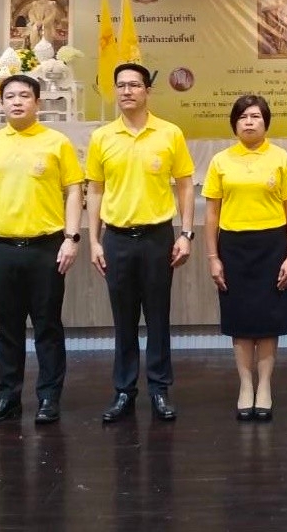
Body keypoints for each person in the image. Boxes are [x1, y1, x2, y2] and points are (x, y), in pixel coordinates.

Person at [0, 74, 84, 425]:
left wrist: (71, 238)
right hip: (1, 248)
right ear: (0, 102)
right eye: (10, 96)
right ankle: (7, 397)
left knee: (48, 326)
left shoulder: (56, 142)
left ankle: (49, 397)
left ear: (38, 102)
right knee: (7, 328)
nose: (17, 101)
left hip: (46, 248)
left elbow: (74, 190)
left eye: (24, 96)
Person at [86, 63, 196, 423]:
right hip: (117, 239)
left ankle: (160, 389)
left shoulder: (169, 133)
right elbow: (95, 189)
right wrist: (94, 240)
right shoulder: (102, 137)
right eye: (121, 85)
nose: (127, 91)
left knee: (158, 317)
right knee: (123, 319)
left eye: (134, 85)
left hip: (157, 239)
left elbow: (184, 184)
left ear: (148, 90)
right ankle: (124, 390)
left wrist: (186, 233)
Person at [203, 95, 287, 422]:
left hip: (272, 246)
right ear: (234, 123)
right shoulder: (220, 161)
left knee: (268, 321)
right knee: (241, 322)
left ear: (266, 122)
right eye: (243, 116)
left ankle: (265, 387)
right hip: (233, 247)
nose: (249, 122)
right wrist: (213, 257)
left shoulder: (281, 159)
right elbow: (211, 215)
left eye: (256, 116)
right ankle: (246, 386)